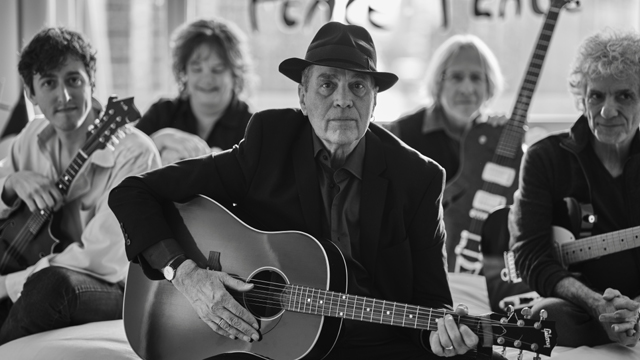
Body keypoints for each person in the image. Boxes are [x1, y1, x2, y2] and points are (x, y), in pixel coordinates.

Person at [109, 22, 482, 359]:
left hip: (374, 344)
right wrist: (188, 275)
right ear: (302, 97)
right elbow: (132, 193)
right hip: (269, 344)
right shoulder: (268, 142)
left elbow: (433, 306)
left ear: (374, 100)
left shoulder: (418, 177)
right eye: (326, 84)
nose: (342, 99)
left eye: (357, 86)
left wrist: (443, 338)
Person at [0, 27, 161, 344]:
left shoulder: (134, 153)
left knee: (50, 286)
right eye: (48, 83)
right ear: (31, 94)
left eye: (73, 80)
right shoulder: (30, 138)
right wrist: (10, 183)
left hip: (112, 287)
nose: (64, 96)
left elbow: (105, 259)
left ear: (92, 81)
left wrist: (6, 285)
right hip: (33, 272)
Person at [509, 29, 640, 347]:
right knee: (544, 317)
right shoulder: (544, 158)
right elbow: (531, 256)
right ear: (582, 98)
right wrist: (599, 306)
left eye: (624, 95)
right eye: (597, 96)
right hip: (579, 305)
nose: (607, 111)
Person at [385, 34, 504, 184]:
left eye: (476, 77)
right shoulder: (401, 133)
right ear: (438, 83)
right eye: (456, 77)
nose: (467, 89)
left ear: (489, 85)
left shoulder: (496, 134)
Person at [136, 17, 254, 165]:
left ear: (235, 73)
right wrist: (157, 142)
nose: (207, 79)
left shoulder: (252, 126)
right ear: (184, 72)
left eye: (217, 69)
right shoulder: (162, 113)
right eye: (197, 69)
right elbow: (122, 169)